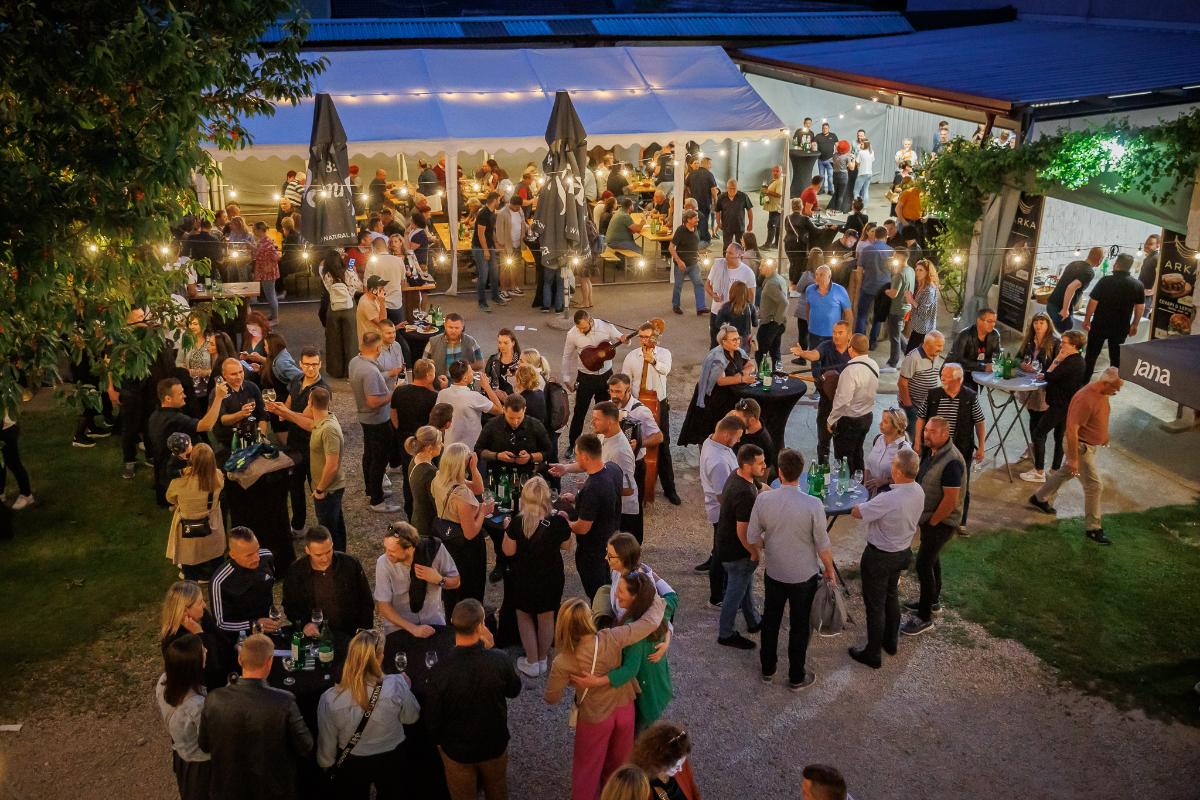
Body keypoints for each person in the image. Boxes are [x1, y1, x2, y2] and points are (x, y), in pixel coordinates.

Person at [544, 594, 666, 800]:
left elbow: (551, 698)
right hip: (625, 709)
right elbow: (650, 623)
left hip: (595, 715)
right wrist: (653, 590)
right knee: (619, 768)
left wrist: (571, 681)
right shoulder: (612, 636)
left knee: (587, 771)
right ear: (589, 618)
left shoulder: (563, 661)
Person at [746, 448, 834, 687]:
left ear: (780, 472)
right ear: (801, 472)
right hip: (804, 575)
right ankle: (796, 676)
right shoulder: (813, 504)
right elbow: (822, 544)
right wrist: (829, 569)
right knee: (800, 625)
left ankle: (768, 668)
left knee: (771, 620)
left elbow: (752, 536)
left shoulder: (764, 499)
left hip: (775, 571)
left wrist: (769, 544)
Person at [426, 599, 522, 800]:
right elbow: (514, 690)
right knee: (497, 790)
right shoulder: (499, 660)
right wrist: (493, 648)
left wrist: (440, 744)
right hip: (493, 744)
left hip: (457, 750)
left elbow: (433, 716)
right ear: (480, 626)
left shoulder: (440, 670)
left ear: (452, 623)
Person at [198, 634, 313, 800]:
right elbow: (306, 746)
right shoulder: (284, 701)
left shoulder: (214, 698)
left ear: (240, 659)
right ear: (269, 662)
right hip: (273, 790)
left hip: (227, 789)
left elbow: (204, 745)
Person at [316, 629, 420, 797]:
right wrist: (405, 687)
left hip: (353, 761)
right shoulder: (396, 684)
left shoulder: (330, 699)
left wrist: (326, 763)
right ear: (378, 658)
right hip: (392, 757)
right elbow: (411, 718)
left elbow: (327, 741)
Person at [570, 569, 675, 731]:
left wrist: (596, 681)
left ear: (635, 597)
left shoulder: (634, 629)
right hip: (660, 688)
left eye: (620, 591)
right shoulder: (656, 609)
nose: (615, 595)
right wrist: (650, 572)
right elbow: (672, 596)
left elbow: (630, 669)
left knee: (639, 738)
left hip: (646, 698)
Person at [847, 448, 924, 667]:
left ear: (897, 471)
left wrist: (856, 503)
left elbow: (857, 512)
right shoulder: (918, 491)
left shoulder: (889, 498)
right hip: (902, 552)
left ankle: (872, 653)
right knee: (891, 596)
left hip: (880, 556)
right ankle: (890, 642)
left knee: (875, 605)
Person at [1028, 368, 1123, 545]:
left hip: (1089, 445)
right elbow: (1072, 429)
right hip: (1081, 447)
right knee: (1094, 486)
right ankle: (1093, 528)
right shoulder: (1085, 398)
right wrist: (1073, 458)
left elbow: (1100, 415)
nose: (1117, 391)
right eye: (1116, 388)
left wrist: (1103, 435)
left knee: (1067, 472)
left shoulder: (1102, 394)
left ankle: (1039, 498)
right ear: (1105, 383)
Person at [899, 417, 965, 637]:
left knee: (923, 564)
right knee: (933, 560)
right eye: (925, 430)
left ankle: (924, 617)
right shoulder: (933, 452)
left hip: (941, 522)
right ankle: (933, 601)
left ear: (945, 434)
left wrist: (934, 521)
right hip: (930, 519)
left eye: (932, 432)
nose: (926, 435)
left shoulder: (952, 461)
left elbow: (951, 500)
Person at [502, 476, 571, 677]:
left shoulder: (518, 522)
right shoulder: (558, 521)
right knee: (547, 616)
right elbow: (567, 546)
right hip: (551, 576)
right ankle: (542, 658)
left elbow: (508, 551)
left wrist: (506, 529)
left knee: (524, 615)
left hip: (524, 576)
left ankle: (531, 661)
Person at [620, 325, 679, 505]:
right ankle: (635, 486)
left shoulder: (664, 353)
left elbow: (665, 370)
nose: (644, 340)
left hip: (659, 404)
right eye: (641, 337)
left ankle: (669, 488)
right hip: (637, 405)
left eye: (647, 337)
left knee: (663, 444)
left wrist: (653, 361)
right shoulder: (631, 357)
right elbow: (625, 381)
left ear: (655, 338)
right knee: (632, 442)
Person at [714, 442, 765, 650]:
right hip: (736, 552)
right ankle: (726, 633)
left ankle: (753, 621)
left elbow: (761, 487)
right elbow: (742, 532)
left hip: (726, 545)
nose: (764, 466)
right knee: (734, 593)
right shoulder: (744, 493)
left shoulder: (737, 475)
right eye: (760, 463)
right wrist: (754, 552)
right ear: (746, 465)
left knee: (745, 585)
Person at [283, 526, 373, 641]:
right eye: (318, 555)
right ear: (307, 550)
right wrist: (305, 624)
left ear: (332, 545)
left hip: (350, 633)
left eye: (328, 551)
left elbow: (366, 601)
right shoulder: (296, 572)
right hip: (316, 635)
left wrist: (363, 633)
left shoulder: (350, 564)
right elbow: (290, 606)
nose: (325, 559)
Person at [561, 433, 623, 601]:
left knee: (598, 595)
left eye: (577, 454)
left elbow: (582, 527)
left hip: (592, 552)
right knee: (608, 586)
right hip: (609, 541)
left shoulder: (593, 488)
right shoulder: (612, 469)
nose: (575, 458)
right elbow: (605, 501)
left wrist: (566, 521)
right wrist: (577, 499)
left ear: (585, 456)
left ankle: (601, 615)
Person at [1021, 329, 1088, 484]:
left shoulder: (1071, 362)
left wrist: (1057, 359)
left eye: (1064, 343)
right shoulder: (1077, 360)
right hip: (1067, 406)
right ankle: (1055, 470)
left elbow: (1050, 375)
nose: (1061, 345)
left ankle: (1039, 472)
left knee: (1039, 433)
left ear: (1074, 345)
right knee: (1059, 437)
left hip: (1060, 406)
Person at [374, 521, 461, 637]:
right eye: (386, 548)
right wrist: (414, 629)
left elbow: (456, 582)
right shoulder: (383, 563)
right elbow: (383, 606)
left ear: (410, 548)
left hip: (433, 622)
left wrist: (439, 579)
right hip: (399, 627)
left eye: (392, 551)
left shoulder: (436, 551)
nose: (387, 554)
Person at [148, 377, 225, 505]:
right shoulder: (175, 419)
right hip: (181, 473)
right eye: (180, 393)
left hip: (163, 472)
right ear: (168, 399)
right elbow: (207, 426)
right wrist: (219, 398)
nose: (184, 395)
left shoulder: (155, 416)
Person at [433, 444, 493, 603]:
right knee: (470, 585)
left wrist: (474, 468)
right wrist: (483, 511)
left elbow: (478, 488)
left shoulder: (439, 478)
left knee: (453, 584)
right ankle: (470, 612)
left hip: (448, 539)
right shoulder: (462, 495)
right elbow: (470, 533)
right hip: (466, 547)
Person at [562, 310, 630, 450]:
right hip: (585, 377)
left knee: (605, 413)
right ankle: (573, 445)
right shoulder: (572, 334)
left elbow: (623, 339)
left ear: (590, 321)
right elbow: (567, 356)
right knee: (579, 412)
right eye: (579, 328)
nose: (581, 331)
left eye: (584, 327)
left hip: (606, 376)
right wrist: (567, 378)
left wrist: (626, 340)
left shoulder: (606, 326)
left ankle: (603, 445)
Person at [349, 333, 401, 514]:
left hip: (365, 418)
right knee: (379, 459)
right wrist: (393, 393)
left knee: (369, 454)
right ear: (378, 348)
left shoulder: (355, 361)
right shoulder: (370, 371)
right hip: (377, 419)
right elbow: (373, 402)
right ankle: (377, 499)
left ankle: (371, 489)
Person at [156, 634, 212, 800]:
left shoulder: (164, 681)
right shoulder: (197, 706)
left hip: (181, 756)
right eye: (202, 651)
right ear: (193, 665)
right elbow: (208, 743)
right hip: (201, 766)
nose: (206, 651)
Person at [696, 414, 745, 603]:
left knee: (719, 549)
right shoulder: (719, 462)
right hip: (723, 512)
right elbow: (723, 496)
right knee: (722, 554)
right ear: (726, 435)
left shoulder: (712, 441)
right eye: (737, 436)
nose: (739, 440)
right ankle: (718, 596)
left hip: (721, 510)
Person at [165, 443, 227, 583]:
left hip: (187, 528)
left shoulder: (180, 481)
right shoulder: (218, 476)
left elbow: (170, 498)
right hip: (212, 524)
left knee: (189, 566)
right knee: (217, 561)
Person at [211, 527, 279, 643]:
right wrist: (253, 624)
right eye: (249, 555)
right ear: (232, 554)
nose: (257, 558)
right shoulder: (220, 582)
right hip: (241, 639)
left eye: (257, 550)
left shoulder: (267, 557)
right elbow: (221, 623)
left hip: (268, 628)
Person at [390, 358, 439, 516]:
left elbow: (393, 414)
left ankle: (409, 508)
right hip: (424, 442)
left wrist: (399, 431)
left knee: (408, 475)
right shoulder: (433, 397)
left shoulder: (399, 391)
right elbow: (433, 421)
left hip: (405, 440)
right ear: (429, 375)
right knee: (427, 474)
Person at [1083, 252, 1144, 376]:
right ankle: (1113, 382)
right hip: (1121, 326)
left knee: (1091, 355)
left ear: (1116, 264)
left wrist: (1087, 319)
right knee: (1116, 357)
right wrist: (1135, 324)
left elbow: (1093, 301)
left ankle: (1084, 381)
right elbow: (1140, 307)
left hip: (1100, 324)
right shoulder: (1137, 285)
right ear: (1130, 267)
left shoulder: (1105, 281)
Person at [160, 580, 226, 691]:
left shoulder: (202, 616)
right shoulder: (175, 641)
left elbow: (222, 640)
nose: (204, 605)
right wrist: (199, 634)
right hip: (205, 691)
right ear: (185, 610)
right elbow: (211, 668)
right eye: (200, 602)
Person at [827, 333, 879, 475]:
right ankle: (859, 483)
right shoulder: (873, 364)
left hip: (850, 421)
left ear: (851, 349)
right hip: (866, 417)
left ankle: (847, 484)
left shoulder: (850, 371)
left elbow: (843, 401)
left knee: (844, 459)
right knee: (857, 452)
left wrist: (831, 419)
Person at [437, 360, 503, 449]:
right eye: (471, 371)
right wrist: (487, 386)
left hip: (449, 446)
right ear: (465, 378)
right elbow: (499, 410)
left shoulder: (442, 393)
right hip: (470, 448)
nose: (473, 373)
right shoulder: (474, 397)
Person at [629, 722, 701, 800]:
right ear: (661, 762)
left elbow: (694, 792)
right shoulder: (637, 787)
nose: (681, 769)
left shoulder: (680, 761)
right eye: (676, 766)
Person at [704, 242, 757, 347]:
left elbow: (751, 296)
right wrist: (713, 295)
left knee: (736, 346)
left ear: (739, 255)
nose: (726, 255)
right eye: (726, 252)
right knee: (715, 344)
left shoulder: (747, 272)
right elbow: (707, 285)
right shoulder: (718, 266)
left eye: (730, 253)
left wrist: (749, 315)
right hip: (717, 312)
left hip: (737, 315)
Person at [321, 250, 363, 379]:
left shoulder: (326, 274)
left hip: (333, 308)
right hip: (349, 307)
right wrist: (354, 271)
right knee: (351, 341)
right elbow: (360, 287)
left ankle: (336, 370)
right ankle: (350, 371)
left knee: (334, 341)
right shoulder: (348, 272)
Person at [898, 330, 945, 435]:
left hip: (925, 406)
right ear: (927, 344)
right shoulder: (913, 358)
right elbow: (902, 383)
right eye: (938, 345)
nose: (941, 349)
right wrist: (909, 407)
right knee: (912, 437)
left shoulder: (935, 354)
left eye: (942, 345)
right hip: (913, 407)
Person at [1046, 247, 1102, 333]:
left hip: (1051, 303)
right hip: (1059, 308)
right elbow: (1071, 287)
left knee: (1051, 333)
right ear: (1100, 260)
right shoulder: (1089, 272)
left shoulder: (1074, 264)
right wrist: (1065, 309)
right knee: (1064, 331)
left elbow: (1062, 282)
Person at [854, 227, 894, 345]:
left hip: (868, 286)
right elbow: (894, 271)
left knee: (862, 315)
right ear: (886, 236)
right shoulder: (891, 251)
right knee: (878, 316)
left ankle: (858, 342)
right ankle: (872, 342)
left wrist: (859, 286)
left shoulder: (866, 250)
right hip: (884, 288)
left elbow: (859, 271)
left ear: (875, 235)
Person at [800, 263, 853, 350]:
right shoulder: (810, 289)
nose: (818, 277)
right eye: (816, 274)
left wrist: (848, 332)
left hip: (833, 335)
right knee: (814, 357)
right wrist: (809, 324)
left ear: (829, 276)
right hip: (814, 334)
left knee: (831, 358)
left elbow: (848, 313)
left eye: (821, 275)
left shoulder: (840, 290)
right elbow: (808, 307)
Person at [946, 307, 1000, 392]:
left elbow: (997, 356)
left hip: (978, 371)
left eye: (994, 322)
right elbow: (958, 360)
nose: (993, 324)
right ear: (979, 321)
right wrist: (984, 367)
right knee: (970, 392)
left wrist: (994, 365)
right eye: (989, 321)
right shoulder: (964, 335)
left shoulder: (994, 335)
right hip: (958, 371)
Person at [473, 191, 507, 311]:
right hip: (480, 247)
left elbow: (491, 230)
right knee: (483, 275)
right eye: (499, 200)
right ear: (494, 200)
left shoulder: (492, 212)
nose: (500, 202)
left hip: (489, 246)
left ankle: (495, 296)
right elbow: (480, 234)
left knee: (494, 272)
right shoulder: (483, 214)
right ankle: (482, 302)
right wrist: (486, 250)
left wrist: (496, 242)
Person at [882, 247, 916, 371]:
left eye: (895, 255)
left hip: (897, 309)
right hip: (907, 308)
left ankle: (892, 363)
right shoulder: (911, 270)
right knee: (897, 333)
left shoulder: (899, 274)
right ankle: (910, 355)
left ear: (901, 257)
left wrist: (885, 291)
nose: (893, 257)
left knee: (894, 337)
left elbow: (894, 294)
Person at [864, 408, 912, 494]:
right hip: (870, 493)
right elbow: (868, 465)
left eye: (885, 422)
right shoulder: (879, 438)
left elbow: (906, 481)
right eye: (882, 420)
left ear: (897, 427)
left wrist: (885, 481)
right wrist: (865, 486)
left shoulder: (904, 449)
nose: (880, 423)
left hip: (888, 495)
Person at [424, 312, 485, 379]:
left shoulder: (470, 341)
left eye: (457, 328)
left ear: (462, 327)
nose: (453, 331)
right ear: (445, 326)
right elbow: (424, 364)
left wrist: (465, 367)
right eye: (450, 327)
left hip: (463, 382)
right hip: (440, 382)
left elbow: (481, 363)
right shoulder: (433, 342)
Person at [669, 209, 706, 315]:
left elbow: (693, 244)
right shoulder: (680, 230)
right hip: (681, 265)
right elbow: (671, 247)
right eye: (695, 218)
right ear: (688, 220)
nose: (697, 219)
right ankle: (676, 305)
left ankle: (701, 307)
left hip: (694, 264)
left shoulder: (695, 228)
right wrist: (679, 261)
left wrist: (698, 253)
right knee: (678, 286)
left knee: (699, 284)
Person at [731, 397, 775, 483]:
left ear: (752, 420)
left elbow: (763, 477)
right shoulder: (743, 426)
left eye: (739, 418)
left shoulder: (764, 444)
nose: (735, 421)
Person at [365, 241, 407, 326]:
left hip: (378, 306)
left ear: (374, 249)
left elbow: (366, 287)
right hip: (396, 304)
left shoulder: (371, 262)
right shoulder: (399, 260)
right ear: (386, 247)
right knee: (399, 331)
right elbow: (403, 283)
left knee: (381, 331)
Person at [757, 255, 789, 366]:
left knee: (761, 352)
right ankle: (777, 372)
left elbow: (784, 302)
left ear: (770, 268)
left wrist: (776, 322)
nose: (759, 268)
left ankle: (762, 374)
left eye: (762, 265)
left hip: (770, 323)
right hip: (777, 322)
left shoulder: (771, 283)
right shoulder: (779, 278)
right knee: (775, 351)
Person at [906, 259, 941, 354]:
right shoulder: (922, 286)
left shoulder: (929, 289)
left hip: (923, 330)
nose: (917, 272)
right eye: (916, 270)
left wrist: (911, 299)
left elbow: (922, 310)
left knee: (911, 354)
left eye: (921, 270)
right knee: (912, 354)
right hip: (919, 327)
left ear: (927, 272)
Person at [684, 156, 719, 245]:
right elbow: (713, 190)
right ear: (706, 164)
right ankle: (701, 241)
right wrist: (716, 202)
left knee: (693, 222)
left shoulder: (692, 174)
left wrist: (689, 196)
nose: (711, 166)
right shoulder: (709, 175)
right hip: (705, 204)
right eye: (710, 164)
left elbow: (686, 187)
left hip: (693, 204)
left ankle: (693, 240)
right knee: (703, 222)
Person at [251, 221, 280, 323]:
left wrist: (268, 265)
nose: (253, 231)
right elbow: (260, 252)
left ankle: (275, 318)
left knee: (270, 295)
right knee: (270, 294)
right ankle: (273, 315)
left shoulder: (267, 242)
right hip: (265, 272)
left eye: (254, 229)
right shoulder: (263, 240)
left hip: (268, 273)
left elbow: (276, 257)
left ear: (260, 230)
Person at [714, 178, 753, 254]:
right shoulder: (721, 197)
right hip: (727, 226)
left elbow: (749, 210)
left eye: (734, 188)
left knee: (740, 245)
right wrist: (718, 223)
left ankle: (740, 258)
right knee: (726, 245)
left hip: (739, 226)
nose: (732, 190)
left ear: (737, 188)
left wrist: (750, 223)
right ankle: (726, 258)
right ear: (727, 188)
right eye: (730, 188)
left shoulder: (743, 196)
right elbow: (717, 211)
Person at [1137, 233, 1160, 316]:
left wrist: (1152, 291)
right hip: (1142, 293)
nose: (1146, 245)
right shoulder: (1148, 258)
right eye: (1146, 243)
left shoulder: (1156, 258)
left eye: (1150, 244)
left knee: (1141, 318)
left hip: (1147, 296)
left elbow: (1159, 276)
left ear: (1157, 246)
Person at [829, 140, 852, 214]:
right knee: (841, 195)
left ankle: (834, 208)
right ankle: (838, 210)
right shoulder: (847, 157)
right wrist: (853, 160)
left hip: (835, 175)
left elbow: (832, 161)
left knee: (836, 193)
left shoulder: (834, 155)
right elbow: (851, 168)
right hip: (843, 176)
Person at [814, 121, 838, 193]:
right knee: (821, 176)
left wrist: (836, 155)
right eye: (823, 128)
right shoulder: (818, 136)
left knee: (830, 176)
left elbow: (837, 145)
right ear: (822, 129)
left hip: (830, 159)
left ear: (828, 129)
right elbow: (813, 143)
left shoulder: (833, 135)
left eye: (826, 128)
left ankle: (830, 190)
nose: (825, 129)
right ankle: (821, 190)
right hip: (820, 160)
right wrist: (813, 146)